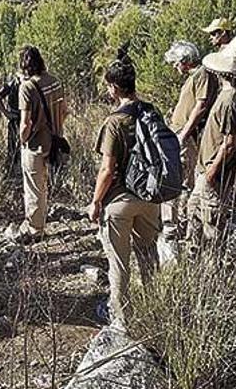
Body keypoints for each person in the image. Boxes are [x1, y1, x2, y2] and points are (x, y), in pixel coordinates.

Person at [88, 58, 160, 329]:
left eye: (109, 86)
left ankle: (122, 319)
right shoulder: (151, 112)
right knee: (148, 256)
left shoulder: (114, 122)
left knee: (119, 264)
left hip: (120, 201)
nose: (108, 91)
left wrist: (95, 202)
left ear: (115, 88)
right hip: (151, 197)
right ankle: (155, 309)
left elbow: (107, 169)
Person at [187, 33, 236, 251]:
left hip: (215, 173)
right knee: (195, 213)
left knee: (211, 225)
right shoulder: (234, 96)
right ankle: (196, 265)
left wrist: (210, 173)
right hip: (211, 170)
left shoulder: (231, 99)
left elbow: (229, 143)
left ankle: (210, 272)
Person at [3, 45, 67, 243]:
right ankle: (41, 219)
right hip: (55, 139)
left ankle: (35, 228)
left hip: (36, 144)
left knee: (34, 187)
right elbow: (64, 110)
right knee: (45, 184)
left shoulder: (27, 87)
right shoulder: (55, 81)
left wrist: (22, 141)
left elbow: (25, 123)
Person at [160, 41, 219, 247]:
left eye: (176, 62)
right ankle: (175, 223)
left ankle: (178, 224)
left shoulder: (202, 74)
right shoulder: (194, 77)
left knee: (180, 177)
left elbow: (200, 106)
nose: (175, 67)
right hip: (179, 134)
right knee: (176, 175)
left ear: (185, 61)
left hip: (185, 137)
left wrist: (183, 134)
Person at [0, 72, 23, 178]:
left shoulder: (33, 82)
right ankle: (11, 173)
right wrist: (7, 113)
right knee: (13, 149)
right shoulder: (13, 83)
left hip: (29, 121)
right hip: (15, 119)